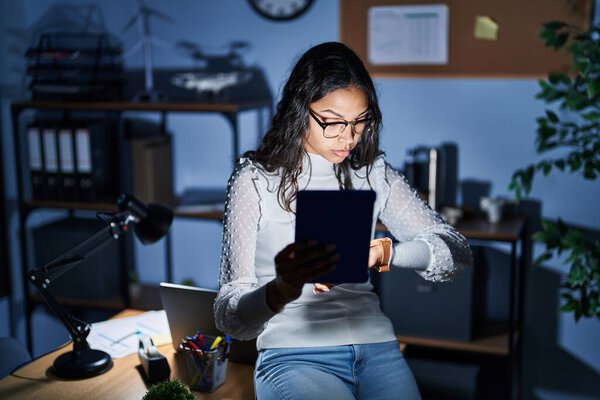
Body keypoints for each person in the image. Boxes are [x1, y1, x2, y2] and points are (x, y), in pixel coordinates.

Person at [214, 42, 472, 400]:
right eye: (333, 123)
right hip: (295, 354)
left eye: (360, 122)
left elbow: (456, 252)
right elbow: (230, 317)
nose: (349, 137)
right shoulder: (255, 180)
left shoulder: (371, 173)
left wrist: (384, 254)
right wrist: (281, 289)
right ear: (298, 110)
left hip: (377, 346)